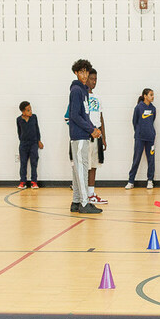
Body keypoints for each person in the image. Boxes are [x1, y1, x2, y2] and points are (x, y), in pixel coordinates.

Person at [65, 59, 101, 215]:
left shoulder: (83, 91)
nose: (84, 75)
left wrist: (93, 129)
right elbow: (74, 116)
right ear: (76, 73)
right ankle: (85, 203)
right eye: (81, 72)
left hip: (83, 135)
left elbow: (84, 115)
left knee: (77, 170)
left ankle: (76, 202)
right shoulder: (76, 91)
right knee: (81, 170)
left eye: (86, 72)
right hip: (79, 136)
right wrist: (90, 129)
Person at [126, 88, 159, 189]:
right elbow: (134, 121)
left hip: (150, 138)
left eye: (153, 95)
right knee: (136, 159)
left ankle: (150, 180)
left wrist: (150, 132)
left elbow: (152, 121)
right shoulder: (138, 107)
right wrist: (139, 131)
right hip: (140, 138)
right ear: (145, 96)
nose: (152, 97)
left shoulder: (153, 109)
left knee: (151, 160)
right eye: (151, 95)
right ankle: (131, 181)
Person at [85, 68, 108, 204]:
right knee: (84, 165)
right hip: (86, 135)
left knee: (94, 165)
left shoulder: (97, 97)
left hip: (97, 135)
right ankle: (83, 194)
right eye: (91, 79)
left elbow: (101, 117)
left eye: (96, 79)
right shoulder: (81, 96)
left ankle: (91, 193)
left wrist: (104, 137)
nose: (94, 82)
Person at [15, 101, 43, 189]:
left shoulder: (34, 117)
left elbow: (37, 130)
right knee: (23, 163)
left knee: (34, 163)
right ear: (23, 112)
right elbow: (19, 132)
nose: (30, 111)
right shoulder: (19, 120)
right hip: (23, 144)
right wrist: (22, 140)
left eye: (31, 109)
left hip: (33, 143)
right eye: (28, 110)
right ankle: (22, 182)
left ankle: (34, 182)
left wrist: (39, 141)